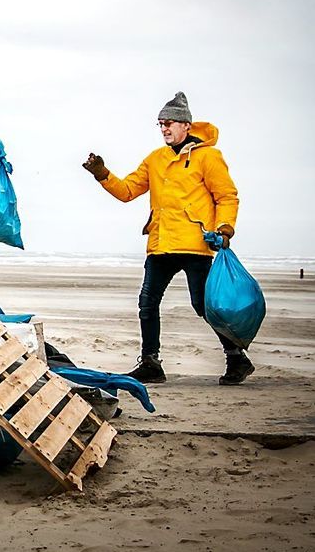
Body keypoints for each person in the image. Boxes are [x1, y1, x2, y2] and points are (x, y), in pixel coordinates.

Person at [82, 92, 254, 385]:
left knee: (203, 306)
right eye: (161, 124)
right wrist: (102, 174)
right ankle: (151, 363)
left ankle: (236, 358)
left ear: (186, 125)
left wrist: (225, 228)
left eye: (170, 123)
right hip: (160, 243)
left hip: (196, 244)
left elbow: (226, 196)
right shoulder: (155, 159)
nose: (164, 129)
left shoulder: (208, 157)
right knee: (147, 304)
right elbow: (127, 192)